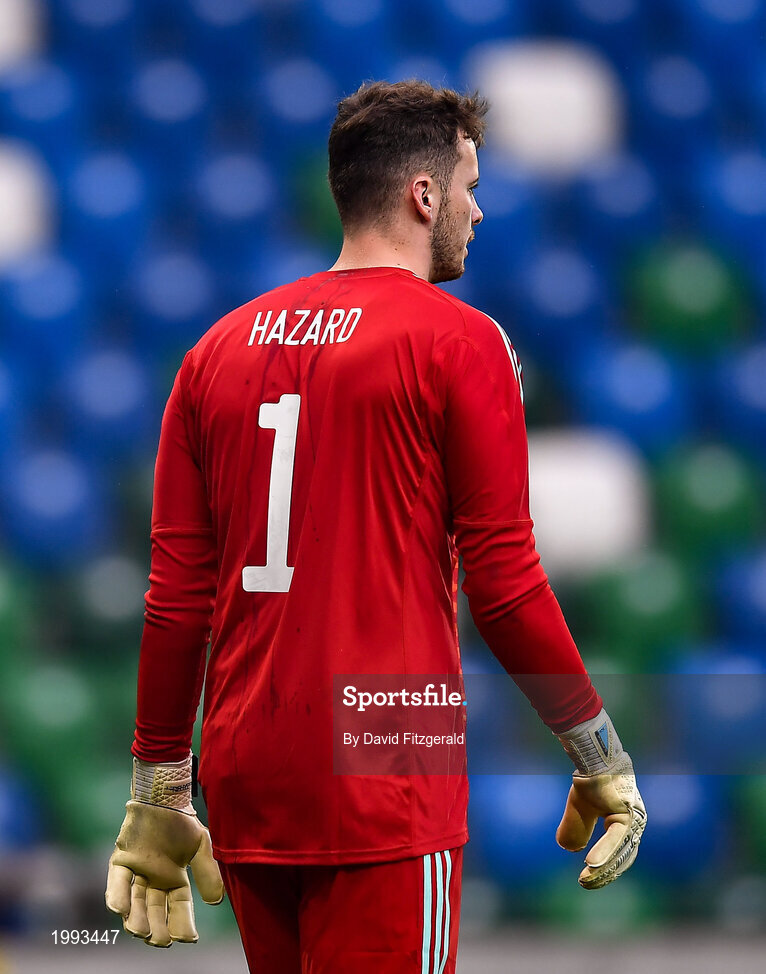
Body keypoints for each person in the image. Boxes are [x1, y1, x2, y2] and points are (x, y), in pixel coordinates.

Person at [106, 80, 646, 973]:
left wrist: (159, 783)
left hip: (248, 770)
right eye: (470, 186)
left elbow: (175, 600)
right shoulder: (461, 341)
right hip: (385, 768)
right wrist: (598, 751)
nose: (479, 210)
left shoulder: (212, 353)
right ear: (423, 194)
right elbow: (505, 584)